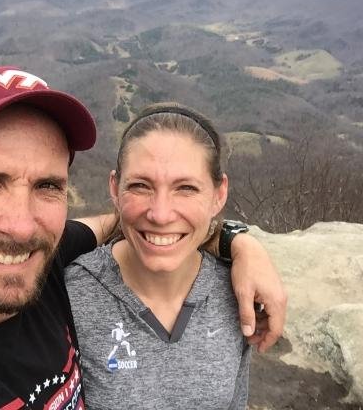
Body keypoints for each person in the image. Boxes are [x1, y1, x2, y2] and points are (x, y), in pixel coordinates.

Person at [0, 66, 285, 409]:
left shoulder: (45, 267)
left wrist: (236, 241)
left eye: (47, 187)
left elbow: (133, 224)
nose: (21, 227)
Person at [65, 102, 256, 409]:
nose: (161, 214)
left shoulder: (236, 292)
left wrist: (243, 245)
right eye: (140, 186)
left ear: (218, 195)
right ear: (114, 188)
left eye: (186, 188)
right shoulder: (71, 295)